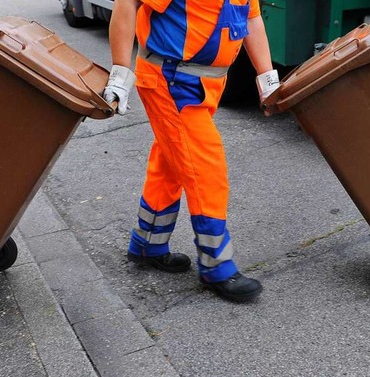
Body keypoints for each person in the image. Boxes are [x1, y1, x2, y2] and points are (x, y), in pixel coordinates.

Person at [103, 0, 280, 302]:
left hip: (204, 84)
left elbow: (252, 21)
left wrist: (268, 81)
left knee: (172, 161)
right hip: (171, 82)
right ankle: (216, 265)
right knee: (205, 168)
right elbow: (128, 3)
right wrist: (120, 73)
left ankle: (147, 244)